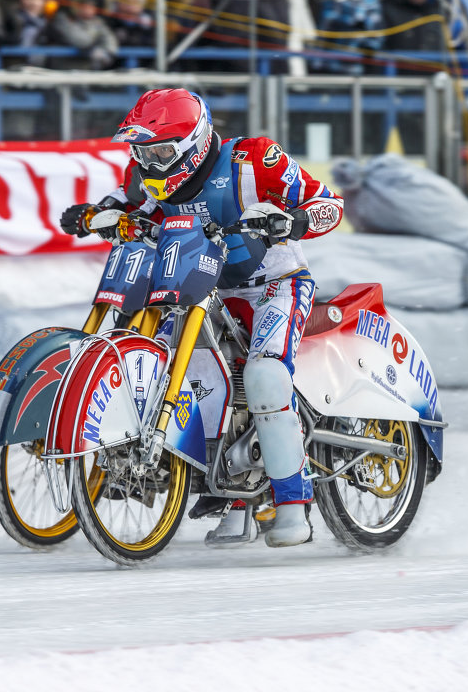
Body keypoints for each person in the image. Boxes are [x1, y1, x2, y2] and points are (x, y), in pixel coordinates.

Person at [58, 88, 345, 548]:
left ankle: (293, 503)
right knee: (188, 374)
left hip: (275, 283)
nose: (150, 163)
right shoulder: (145, 175)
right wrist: (91, 216)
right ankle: (230, 493)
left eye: (159, 151)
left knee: (265, 375)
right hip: (200, 289)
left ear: (194, 142)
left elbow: (328, 204)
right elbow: (121, 205)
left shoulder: (253, 159)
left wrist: (292, 222)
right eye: (141, 152)